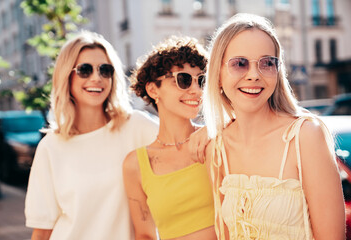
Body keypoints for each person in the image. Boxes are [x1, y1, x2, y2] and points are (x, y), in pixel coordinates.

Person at [203, 13, 345, 240]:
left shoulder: (305, 136)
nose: (253, 75)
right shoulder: (217, 148)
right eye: (239, 63)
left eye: (267, 63)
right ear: (217, 75)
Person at [24, 31, 158, 240]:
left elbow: (182, 144)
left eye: (105, 70)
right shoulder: (51, 147)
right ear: (66, 76)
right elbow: (42, 231)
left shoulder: (136, 127)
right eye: (85, 70)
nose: (96, 78)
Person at [123, 36, 217, 240]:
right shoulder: (136, 164)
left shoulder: (216, 139)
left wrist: (217, 127)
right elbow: (145, 235)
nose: (196, 90)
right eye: (183, 79)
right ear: (152, 89)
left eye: (201, 80)